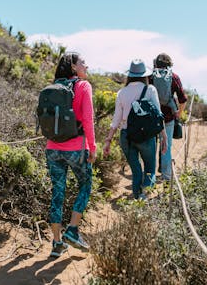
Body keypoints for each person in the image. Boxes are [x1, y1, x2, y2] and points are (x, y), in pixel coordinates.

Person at [45, 52, 96, 258]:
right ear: (74, 67)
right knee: (85, 185)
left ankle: (57, 243)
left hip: (52, 148)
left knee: (57, 193)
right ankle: (73, 230)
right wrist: (92, 147)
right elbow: (88, 119)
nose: (86, 65)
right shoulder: (83, 86)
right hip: (76, 148)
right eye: (83, 62)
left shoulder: (52, 87)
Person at [103, 59, 167, 200]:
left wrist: (108, 140)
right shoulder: (150, 89)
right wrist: (164, 136)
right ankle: (144, 195)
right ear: (145, 75)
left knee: (136, 170)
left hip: (126, 135)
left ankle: (137, 196)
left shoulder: (122, 92)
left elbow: (116, 120)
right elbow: (158, 114)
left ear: (130, 74)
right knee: (150, 168)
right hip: (147, 136)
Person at [152, 53, 187, 182]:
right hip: (168, 117)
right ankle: (166, 177)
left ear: (156, 63)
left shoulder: (150, 76)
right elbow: (183, 99)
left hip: (152, 117)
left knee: (151, 146)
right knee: (166, 146)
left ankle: (150, 177)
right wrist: (179, 113)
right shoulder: (174, 77)